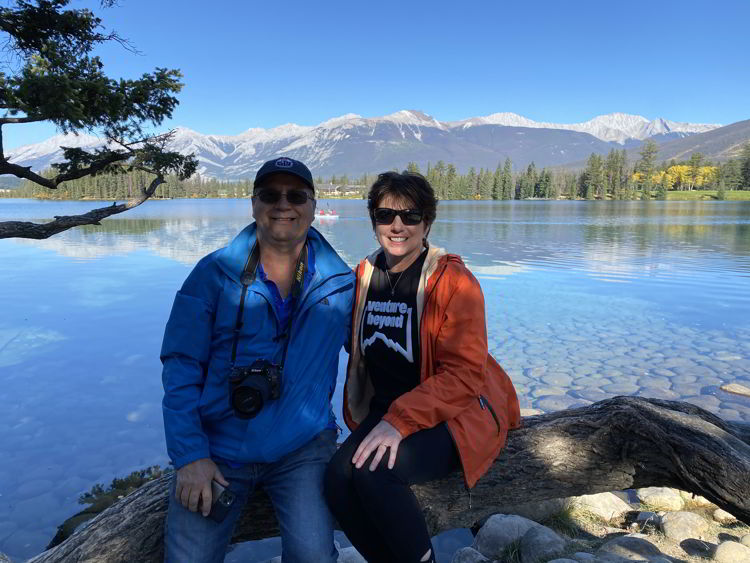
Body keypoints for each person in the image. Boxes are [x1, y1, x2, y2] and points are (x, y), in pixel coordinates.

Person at [161, 157, 355, 563]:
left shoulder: (342, 283)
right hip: (218, 449)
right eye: (270, 195)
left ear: (313, 206)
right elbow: (181, 366)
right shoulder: (212, 274)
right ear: (253, 204)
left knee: (314, 557)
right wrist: (190, 455)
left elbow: (380, 353)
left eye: (296, 195)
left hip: (302, 448)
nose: (283, 205)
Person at [324, 171, 521, 563]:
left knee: (374, 474)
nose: (397, 226)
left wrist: (399, 421)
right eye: (385, 215)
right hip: (387, 410)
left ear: (427, 222)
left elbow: (465, 374)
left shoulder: (453, 281)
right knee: (335, 481)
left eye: (410, 216)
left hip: (453, 413)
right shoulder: (362, 276)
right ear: (373, 221)